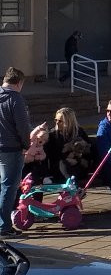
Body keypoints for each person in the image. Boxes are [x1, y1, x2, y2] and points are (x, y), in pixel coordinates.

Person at [0, 67, 31, 237]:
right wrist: (26, 144)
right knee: (9, 186)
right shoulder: (15, 99)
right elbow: (22, 125)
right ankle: (4, 226)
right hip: (11, 148)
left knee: (2, 185)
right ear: (19, 83)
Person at [44, 107, 92, 183]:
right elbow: (52, 156)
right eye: (56, 120)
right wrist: (66, 158)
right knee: (64, 165)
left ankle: (71, 187)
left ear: (69, 122)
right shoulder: (53, 135)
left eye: (60, 121)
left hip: (78, 165)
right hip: (60, 167)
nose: (57, 123)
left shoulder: (79, 132)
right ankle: (72, 187)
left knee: (75, 170)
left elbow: (88, 152)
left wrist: (77, 160)